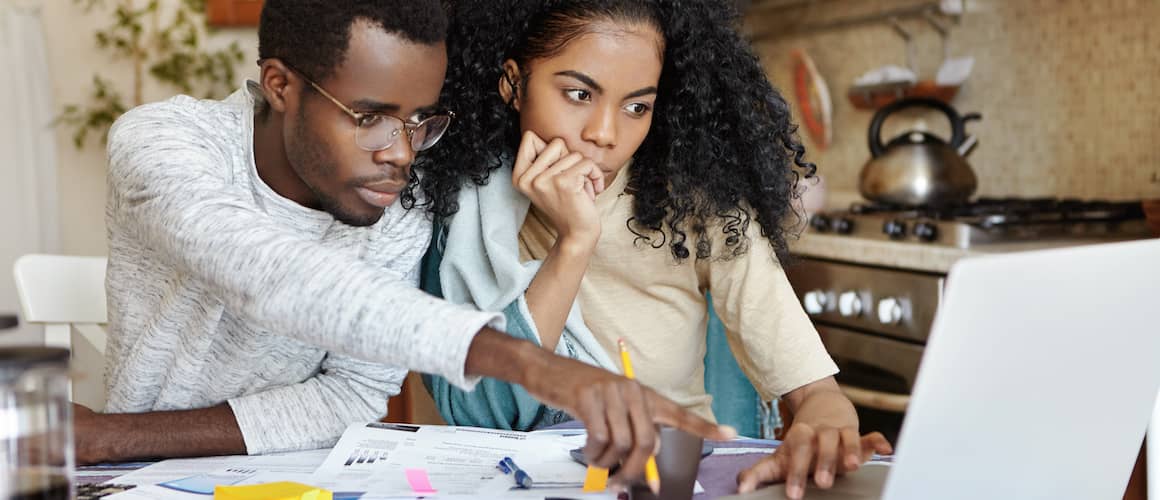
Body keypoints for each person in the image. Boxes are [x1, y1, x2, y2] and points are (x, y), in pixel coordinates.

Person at [80, 0, 730, 487]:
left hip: (304, 481)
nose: (400, 152)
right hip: (137, 481)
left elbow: (352, 395)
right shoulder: (163, 145)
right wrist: (537, 364)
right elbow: (274, 278)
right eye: (369, 117)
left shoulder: (399, 201)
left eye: (420, 120)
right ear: (280, 85)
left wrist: (109, 435)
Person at [419, 0, 892, 497]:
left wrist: (823, 432)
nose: (604, 134)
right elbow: (485, 412)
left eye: (637, 106)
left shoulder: (699, 205)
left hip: (672, 481)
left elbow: (818, 393)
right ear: (513, 83)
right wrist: (574, 243)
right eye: (579, 93)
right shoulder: (461, 202)